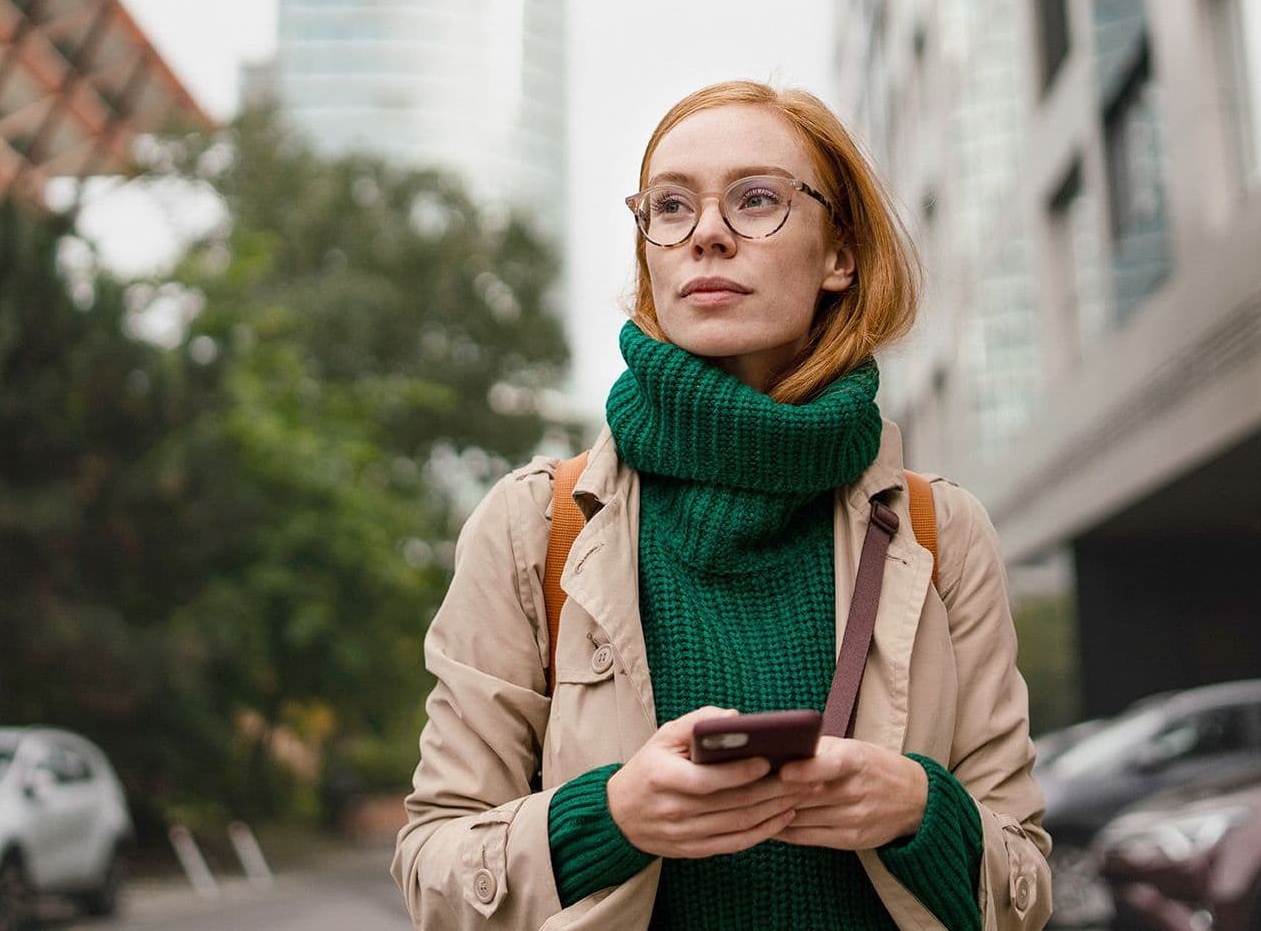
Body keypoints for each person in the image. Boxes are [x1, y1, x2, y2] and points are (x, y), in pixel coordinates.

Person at [391, 80, 1051, 930]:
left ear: (839, 254)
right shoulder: (535, 527)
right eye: (671, 206)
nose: (707, 234)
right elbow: (433, 867)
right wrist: (612, 818)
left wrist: (922, 811)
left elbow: (1027, 882)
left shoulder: (940, 532)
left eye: (757, 200)